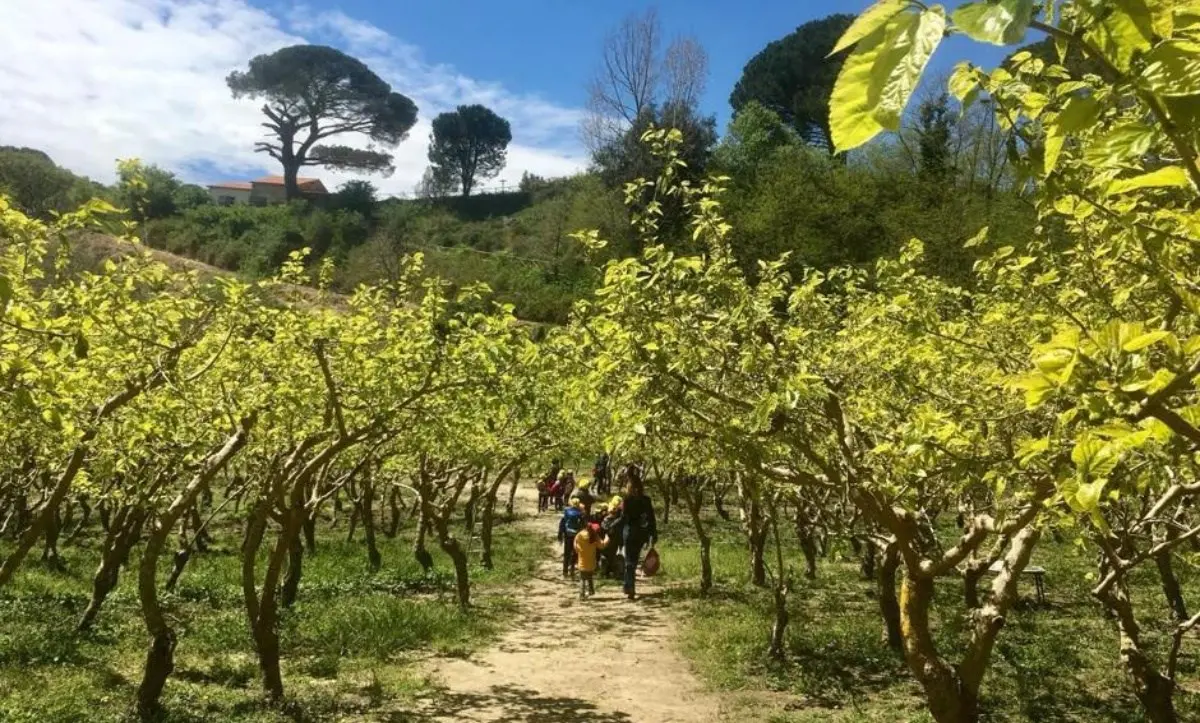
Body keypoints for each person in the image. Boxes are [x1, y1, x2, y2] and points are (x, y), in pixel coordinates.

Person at [619, 469, 657, 600]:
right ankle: (629, 585)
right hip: (641, 533)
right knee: (634, 559)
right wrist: (653, 533)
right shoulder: (646, 500)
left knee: (629, 560)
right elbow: (651, 518)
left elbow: (624, 518)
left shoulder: (627, 500)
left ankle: (629, 586)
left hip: (629, 531)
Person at [573, 521, 609, 600]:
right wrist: (607, 538)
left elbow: (575, 543)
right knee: (589, 576)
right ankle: (591, 590)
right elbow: (602, 546)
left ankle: (582, 595)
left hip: (582, 562)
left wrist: (577, 549)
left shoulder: (580, 534)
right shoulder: (595, 537)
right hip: (591, 562)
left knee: (582, 578)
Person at [557, 498, 586, 578]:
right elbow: (583, 525)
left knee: (566, 553)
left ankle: (565, 571)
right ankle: (572, 570)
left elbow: (563, 523)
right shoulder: (580, 513)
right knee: (574, 552)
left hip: (567, 534)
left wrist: (560, 535)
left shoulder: (567, 511)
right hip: (576, 535)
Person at [600, 495, 624, 579]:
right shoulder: (616, 517)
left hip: (614, 538)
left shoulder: (621, 516)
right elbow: (606, 527)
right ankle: (606, 572)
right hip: (611, 537)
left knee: (612, 555)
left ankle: (612, 572)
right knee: (608, 555)